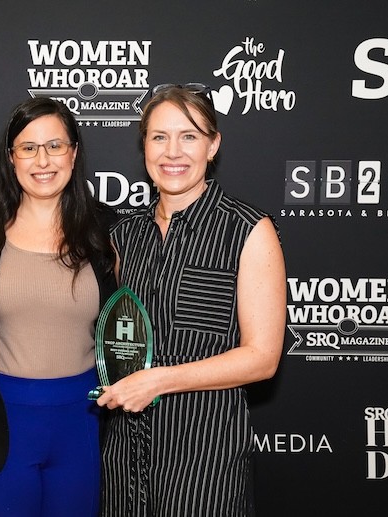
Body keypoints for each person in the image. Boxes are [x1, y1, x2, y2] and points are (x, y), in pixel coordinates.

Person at [95, 83, 287, 516]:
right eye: (159, 137)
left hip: (205, 461)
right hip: (125, 459)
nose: (172, 152)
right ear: (144, 146)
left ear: (212, 145)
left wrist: (160, 380)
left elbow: (262, 358)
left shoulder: (248, 230)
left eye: (189, 136)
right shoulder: (124, 236)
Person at [0, 97, 117, 517]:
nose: (43, 160)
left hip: (82, 426)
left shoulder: (106, 230)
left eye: (55, 146)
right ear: (11, 157)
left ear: (73, 153)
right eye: (28, 147)